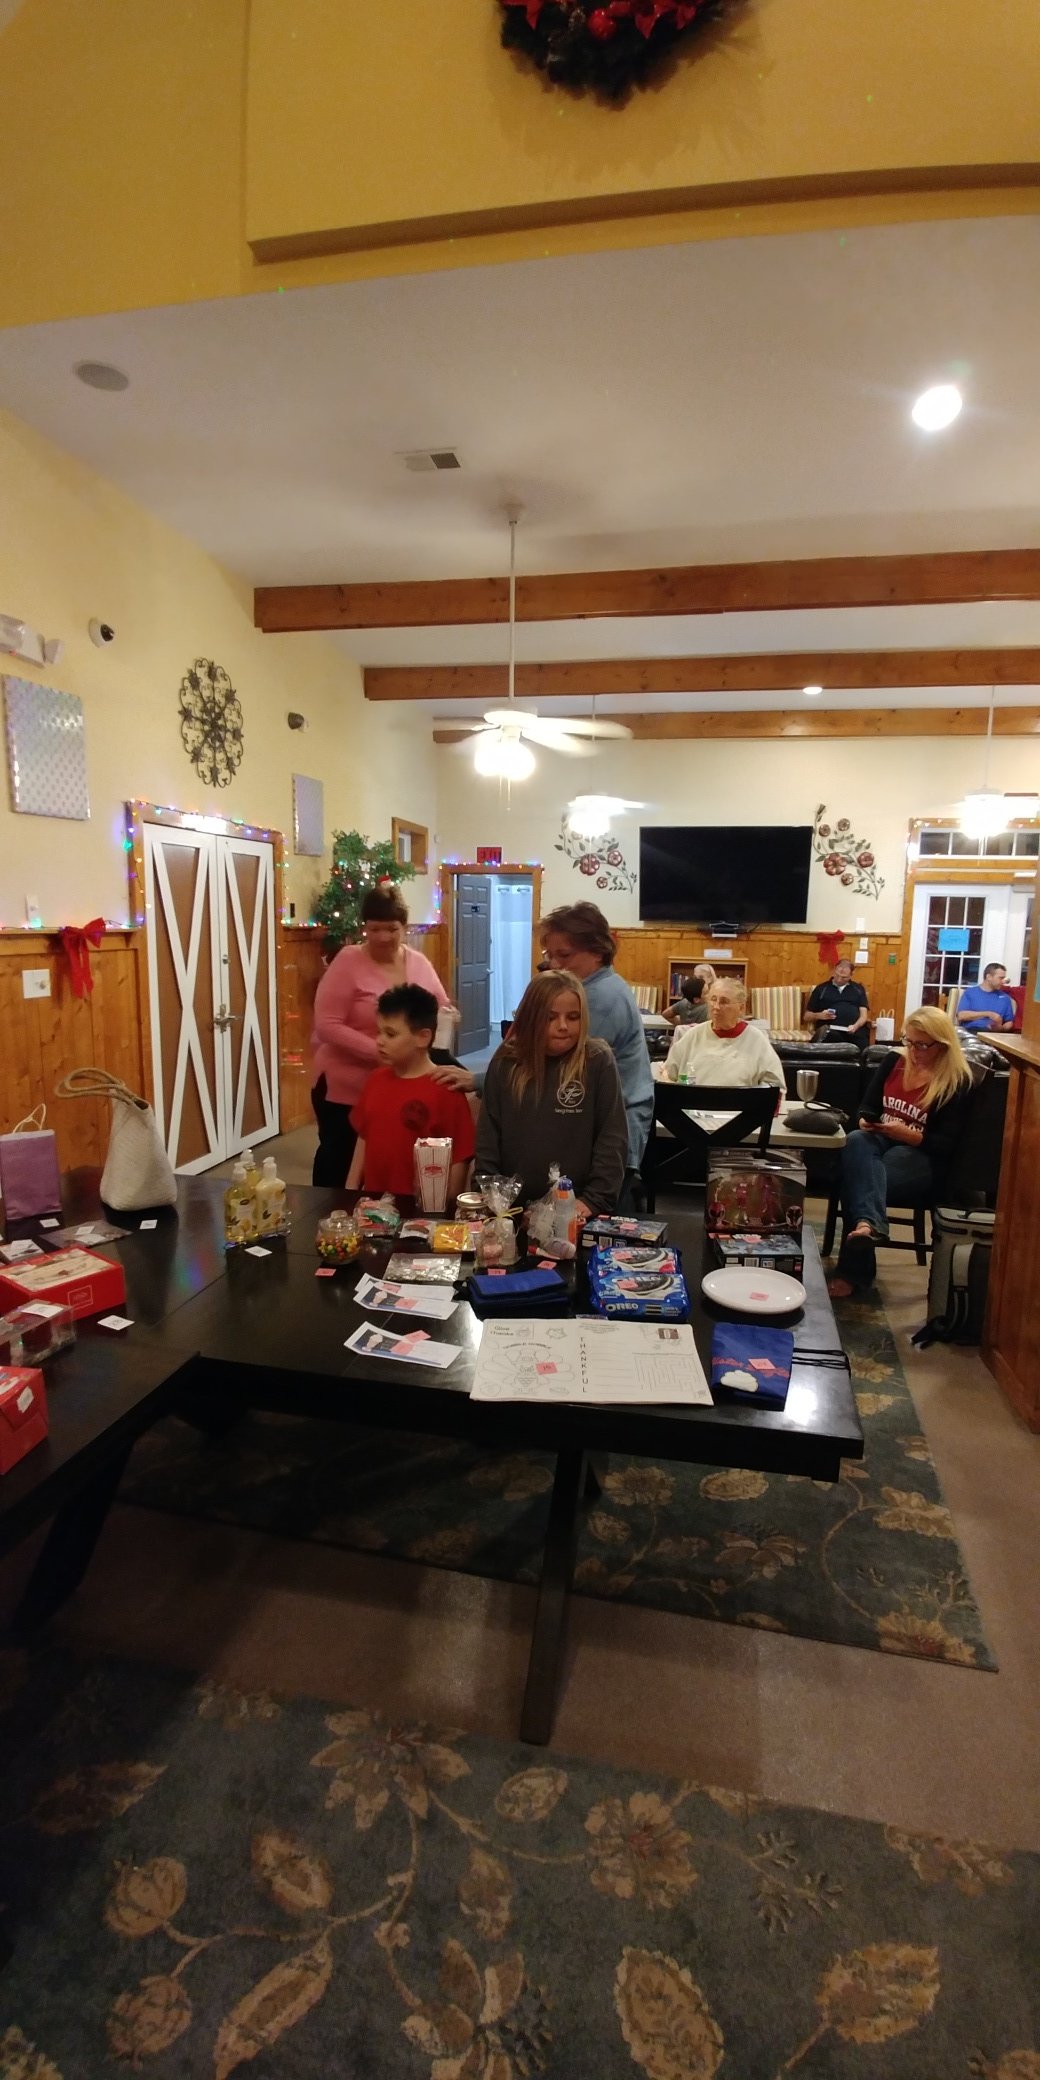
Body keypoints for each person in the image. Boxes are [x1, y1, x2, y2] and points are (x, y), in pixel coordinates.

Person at [310, 885, 466, 1187]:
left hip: (399, 1084)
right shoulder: (348, 960)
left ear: (404, 927)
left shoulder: (418, 962)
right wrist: (383, 1050)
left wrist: (448, 1014)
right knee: (339, 1160)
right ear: (364, 928)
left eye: (392, 929)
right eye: (375, 929)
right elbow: (326, 1024)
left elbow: (438, 1004)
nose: (383, 937)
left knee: (389, 1155)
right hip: (345, 1086)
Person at [828, 1005, 973, 1297]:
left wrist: (910, 1135)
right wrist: (866, 1120)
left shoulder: (956, 1080)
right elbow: (867, 1105)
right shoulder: (894, 1060)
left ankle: (856, 1265)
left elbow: (946, 1145)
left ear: (943, 1044)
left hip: (921, 1156)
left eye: (922, 1045)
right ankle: (868, 1227)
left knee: (858, 1179)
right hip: (882, 1139)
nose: (914, 1051)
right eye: (909, 1041)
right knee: (856, 1139)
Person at [475, 968, 628, 1214]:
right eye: (550, 1018)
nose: (563, 1026)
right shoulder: (506, 1062)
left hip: (577, 1208)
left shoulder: (597, 1060)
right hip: (510, 1209)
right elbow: (488, 1136)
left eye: (573, 1017)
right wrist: (491, 1196)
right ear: (530, 1018)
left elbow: (612, 1137)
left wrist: (594, 1200)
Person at [539, 902, 654, 1179]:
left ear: (598, 951)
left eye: (564, 955)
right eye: (549, 955)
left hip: (611, 1133)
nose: (554, 965)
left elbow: (556, 1064)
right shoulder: (599, 987)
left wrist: (479, 1080)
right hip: (605, 1123)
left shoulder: (600, 998)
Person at [346, 985, 475, 1200]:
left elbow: (459, 1157)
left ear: (423, 1037)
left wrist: (447, 1203)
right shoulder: (375, 1080)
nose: (380, 1040)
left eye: (391, 1034)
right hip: (374, 1207)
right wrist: (350, 1189)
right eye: (379, 1032)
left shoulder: (446, 1089)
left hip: (421, 1208)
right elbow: (364, 1137)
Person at [663, 978, 785, 1090]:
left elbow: (775, 1087)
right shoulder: (693, 1036)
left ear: (741, 1008)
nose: (716, 1007)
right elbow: (666, 1076)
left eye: (724, 1002)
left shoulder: (756, 1040)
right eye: (713, 999)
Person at [805, 958, 871, 1049]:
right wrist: (819, 1015)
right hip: (830, 1030)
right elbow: (806, 1016)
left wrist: (856, 1026)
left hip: (854, 1029)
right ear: (834, 971)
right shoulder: (821, 989)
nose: (839, 980)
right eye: (837, 975)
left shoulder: (858, 989)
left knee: (862, 1042)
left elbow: (864, 1016)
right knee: (831, 1037)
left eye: (844, 977)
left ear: (851, 975)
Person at [955, 963, 1016, 1034]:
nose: (1003, 982)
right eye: (1000, 978)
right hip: (971, 1031)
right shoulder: (970, 992)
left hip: (994, 1035)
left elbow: (1009, 1022)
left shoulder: (1005, 997)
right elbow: (961, 1016)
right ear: (989, 977)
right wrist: (988, 1014)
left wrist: (1001, 1028)